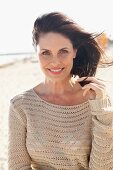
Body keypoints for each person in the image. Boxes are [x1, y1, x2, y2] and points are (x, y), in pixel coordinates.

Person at [8, 12, 113, 170]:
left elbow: (103, 167)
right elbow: (18, 167)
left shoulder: (97, 101)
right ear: (36, 53)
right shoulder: (20, 106)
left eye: (63, 51)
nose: (55, 62)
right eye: (46, 53)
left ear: (75, 51)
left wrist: (103, 112)